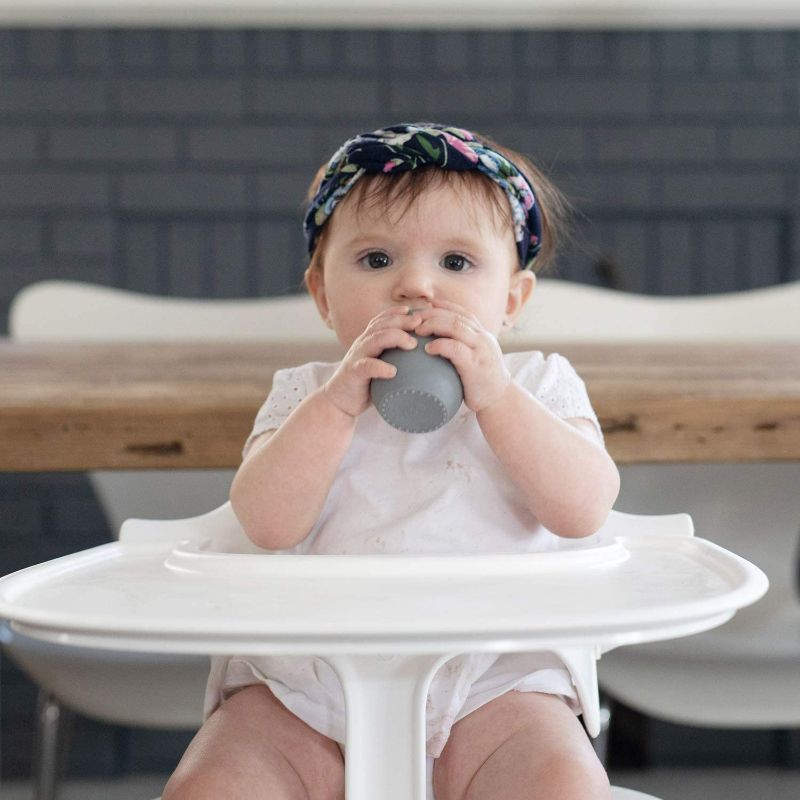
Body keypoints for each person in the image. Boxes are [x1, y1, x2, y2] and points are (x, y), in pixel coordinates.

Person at [163, 122, 619, 800]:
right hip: (308, 685)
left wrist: (494, 397)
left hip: (495, 680)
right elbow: (263, 524)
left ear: (512, 301)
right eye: (376, 260)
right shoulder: (305, 393)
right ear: (321, 294)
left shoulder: (537, 385)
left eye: (456, 264)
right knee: (215, 785)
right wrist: (336, 407)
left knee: (560, 784)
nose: (415, 287)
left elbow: (583, 510)